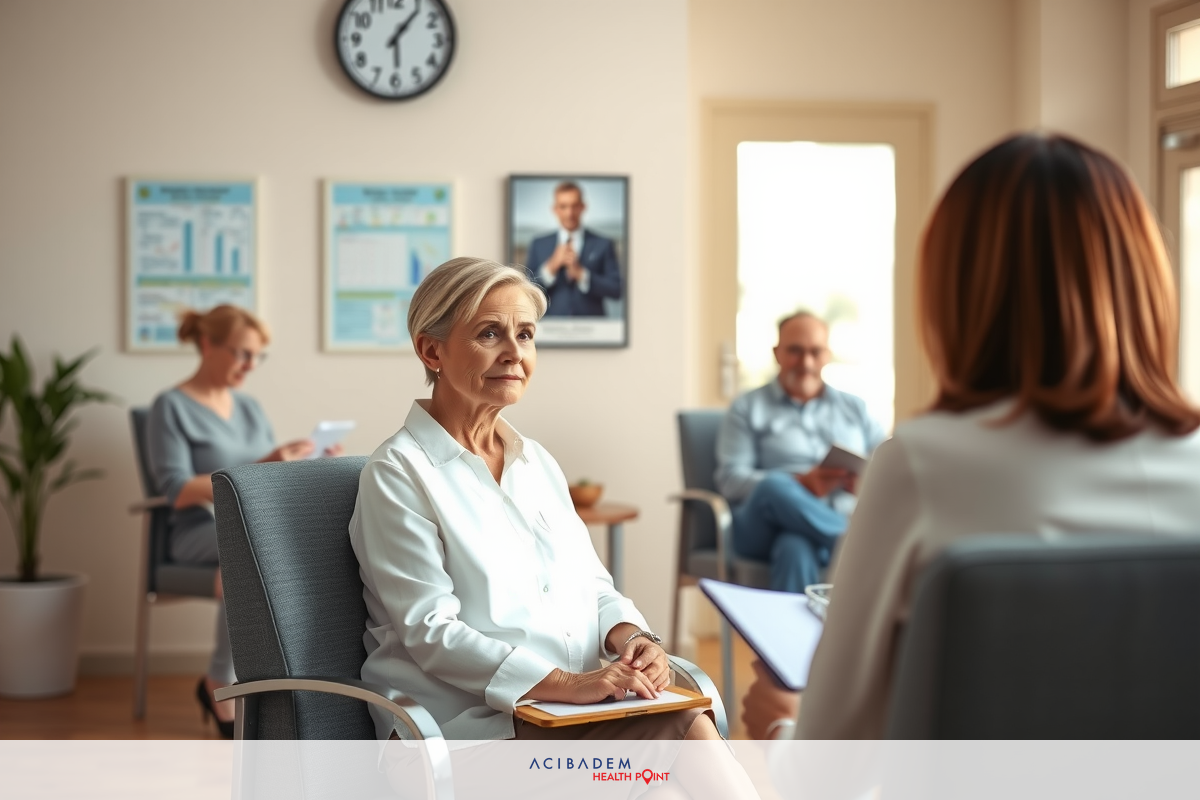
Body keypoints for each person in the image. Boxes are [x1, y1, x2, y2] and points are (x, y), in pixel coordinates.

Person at [742, 132, 1200, 742]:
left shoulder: (919, 467)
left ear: (954, 291)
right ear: (1147, 282)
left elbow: (832, 774)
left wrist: (779, 727)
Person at [349, 257, 757, 798]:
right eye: (490, 333)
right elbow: (431, 631)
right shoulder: (398, 473)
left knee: (667, 784)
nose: (515, 353)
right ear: (432, 351)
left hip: (564, 722)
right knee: (678, 731)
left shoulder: (535, 461)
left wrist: (634, 639)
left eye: (525, 334)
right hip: (463, 738)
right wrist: (569, 684)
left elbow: (592, 584)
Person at [146, 305, 330, 738]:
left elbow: (266, 478)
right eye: (241, 354)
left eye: (256, 356)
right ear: (208, 344)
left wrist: (310, 461)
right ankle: (220, 683)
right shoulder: (170, 407)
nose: (249, 365)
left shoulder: (248, 407)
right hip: (194, 531)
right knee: (253, 558)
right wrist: (262, 463)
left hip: (249, 530)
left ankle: (264, 683)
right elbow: (174, 488)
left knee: (257, 560)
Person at [715, 312, 887, 592]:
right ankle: (861, 547)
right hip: (760, 529)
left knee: (795, 547)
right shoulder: (746, 408)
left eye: (815, 352)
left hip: (821, 524)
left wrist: (865, 483)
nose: (806, 363)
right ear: (777, 353)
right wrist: (801, 483)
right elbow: (730, 480)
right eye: (795, 351)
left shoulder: (856, 409)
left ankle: (796, 638)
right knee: (774, 485)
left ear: (827, 355)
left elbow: (889, 469)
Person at [526, 181, 623, 317]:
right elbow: (526, 291)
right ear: (555, 209)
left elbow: (617, 290)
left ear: (583, 207)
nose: (569, 213)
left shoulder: (603, 243)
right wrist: (551, 266)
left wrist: (582, 275)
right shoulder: (538, 244)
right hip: (551, 329)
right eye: (563, 206)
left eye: (574, 206)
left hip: (593, 329)